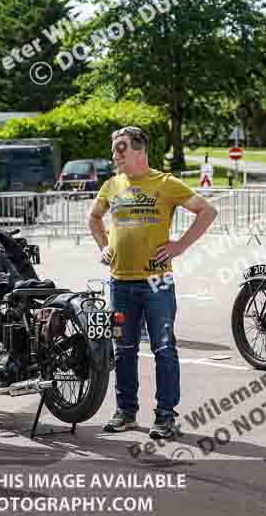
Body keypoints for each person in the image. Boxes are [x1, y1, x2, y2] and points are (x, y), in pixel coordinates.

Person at [88, 126, 217, 439]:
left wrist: (179, 246)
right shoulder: (111, 185)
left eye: (121, 148)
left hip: (157, 284)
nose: (114, 154)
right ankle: (125, 412)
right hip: (119, 284)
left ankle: (165, 417)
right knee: (123, 349)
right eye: (113, 147)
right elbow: (94, 218)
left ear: (140, 150)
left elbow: (207, 211)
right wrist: (103, 245)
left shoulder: (165, 183)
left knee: (163, 349)